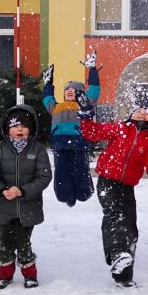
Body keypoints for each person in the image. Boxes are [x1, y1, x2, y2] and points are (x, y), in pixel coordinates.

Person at [80, 105, 148, 287]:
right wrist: (86, 116)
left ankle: (124, 274)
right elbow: (92, 133)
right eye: (138, 110)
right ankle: (118, 253)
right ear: (131, 114)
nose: (142, 112)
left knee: (130, 226)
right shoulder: (119, 128)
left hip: (127, 187)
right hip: (107, 181)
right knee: (114, 215)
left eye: (146, 111)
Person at [0, 105, 52, 289]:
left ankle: (30, 274)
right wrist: (2, 190)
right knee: (4, 241)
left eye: (24, 126)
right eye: (15, 125)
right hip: (6, 206)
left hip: (29, 206)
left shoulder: (37, 150)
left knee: (23, 241)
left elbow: (44, 177)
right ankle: (5, 274)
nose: (20, 129)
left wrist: (23, 190)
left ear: (31, 128)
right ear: (7, 129)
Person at [41, 50, 100, 207]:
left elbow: (94, 91)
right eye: (67, 89)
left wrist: (92, 70)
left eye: (74, 90)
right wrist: (48, 83)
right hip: (60, 145)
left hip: (78, 144)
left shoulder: (83, 106)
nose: (70, 91)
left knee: (80, 170)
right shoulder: (56, 107)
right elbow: (47, 98)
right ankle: (65, 195)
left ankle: (83, 193)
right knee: (61, 173)